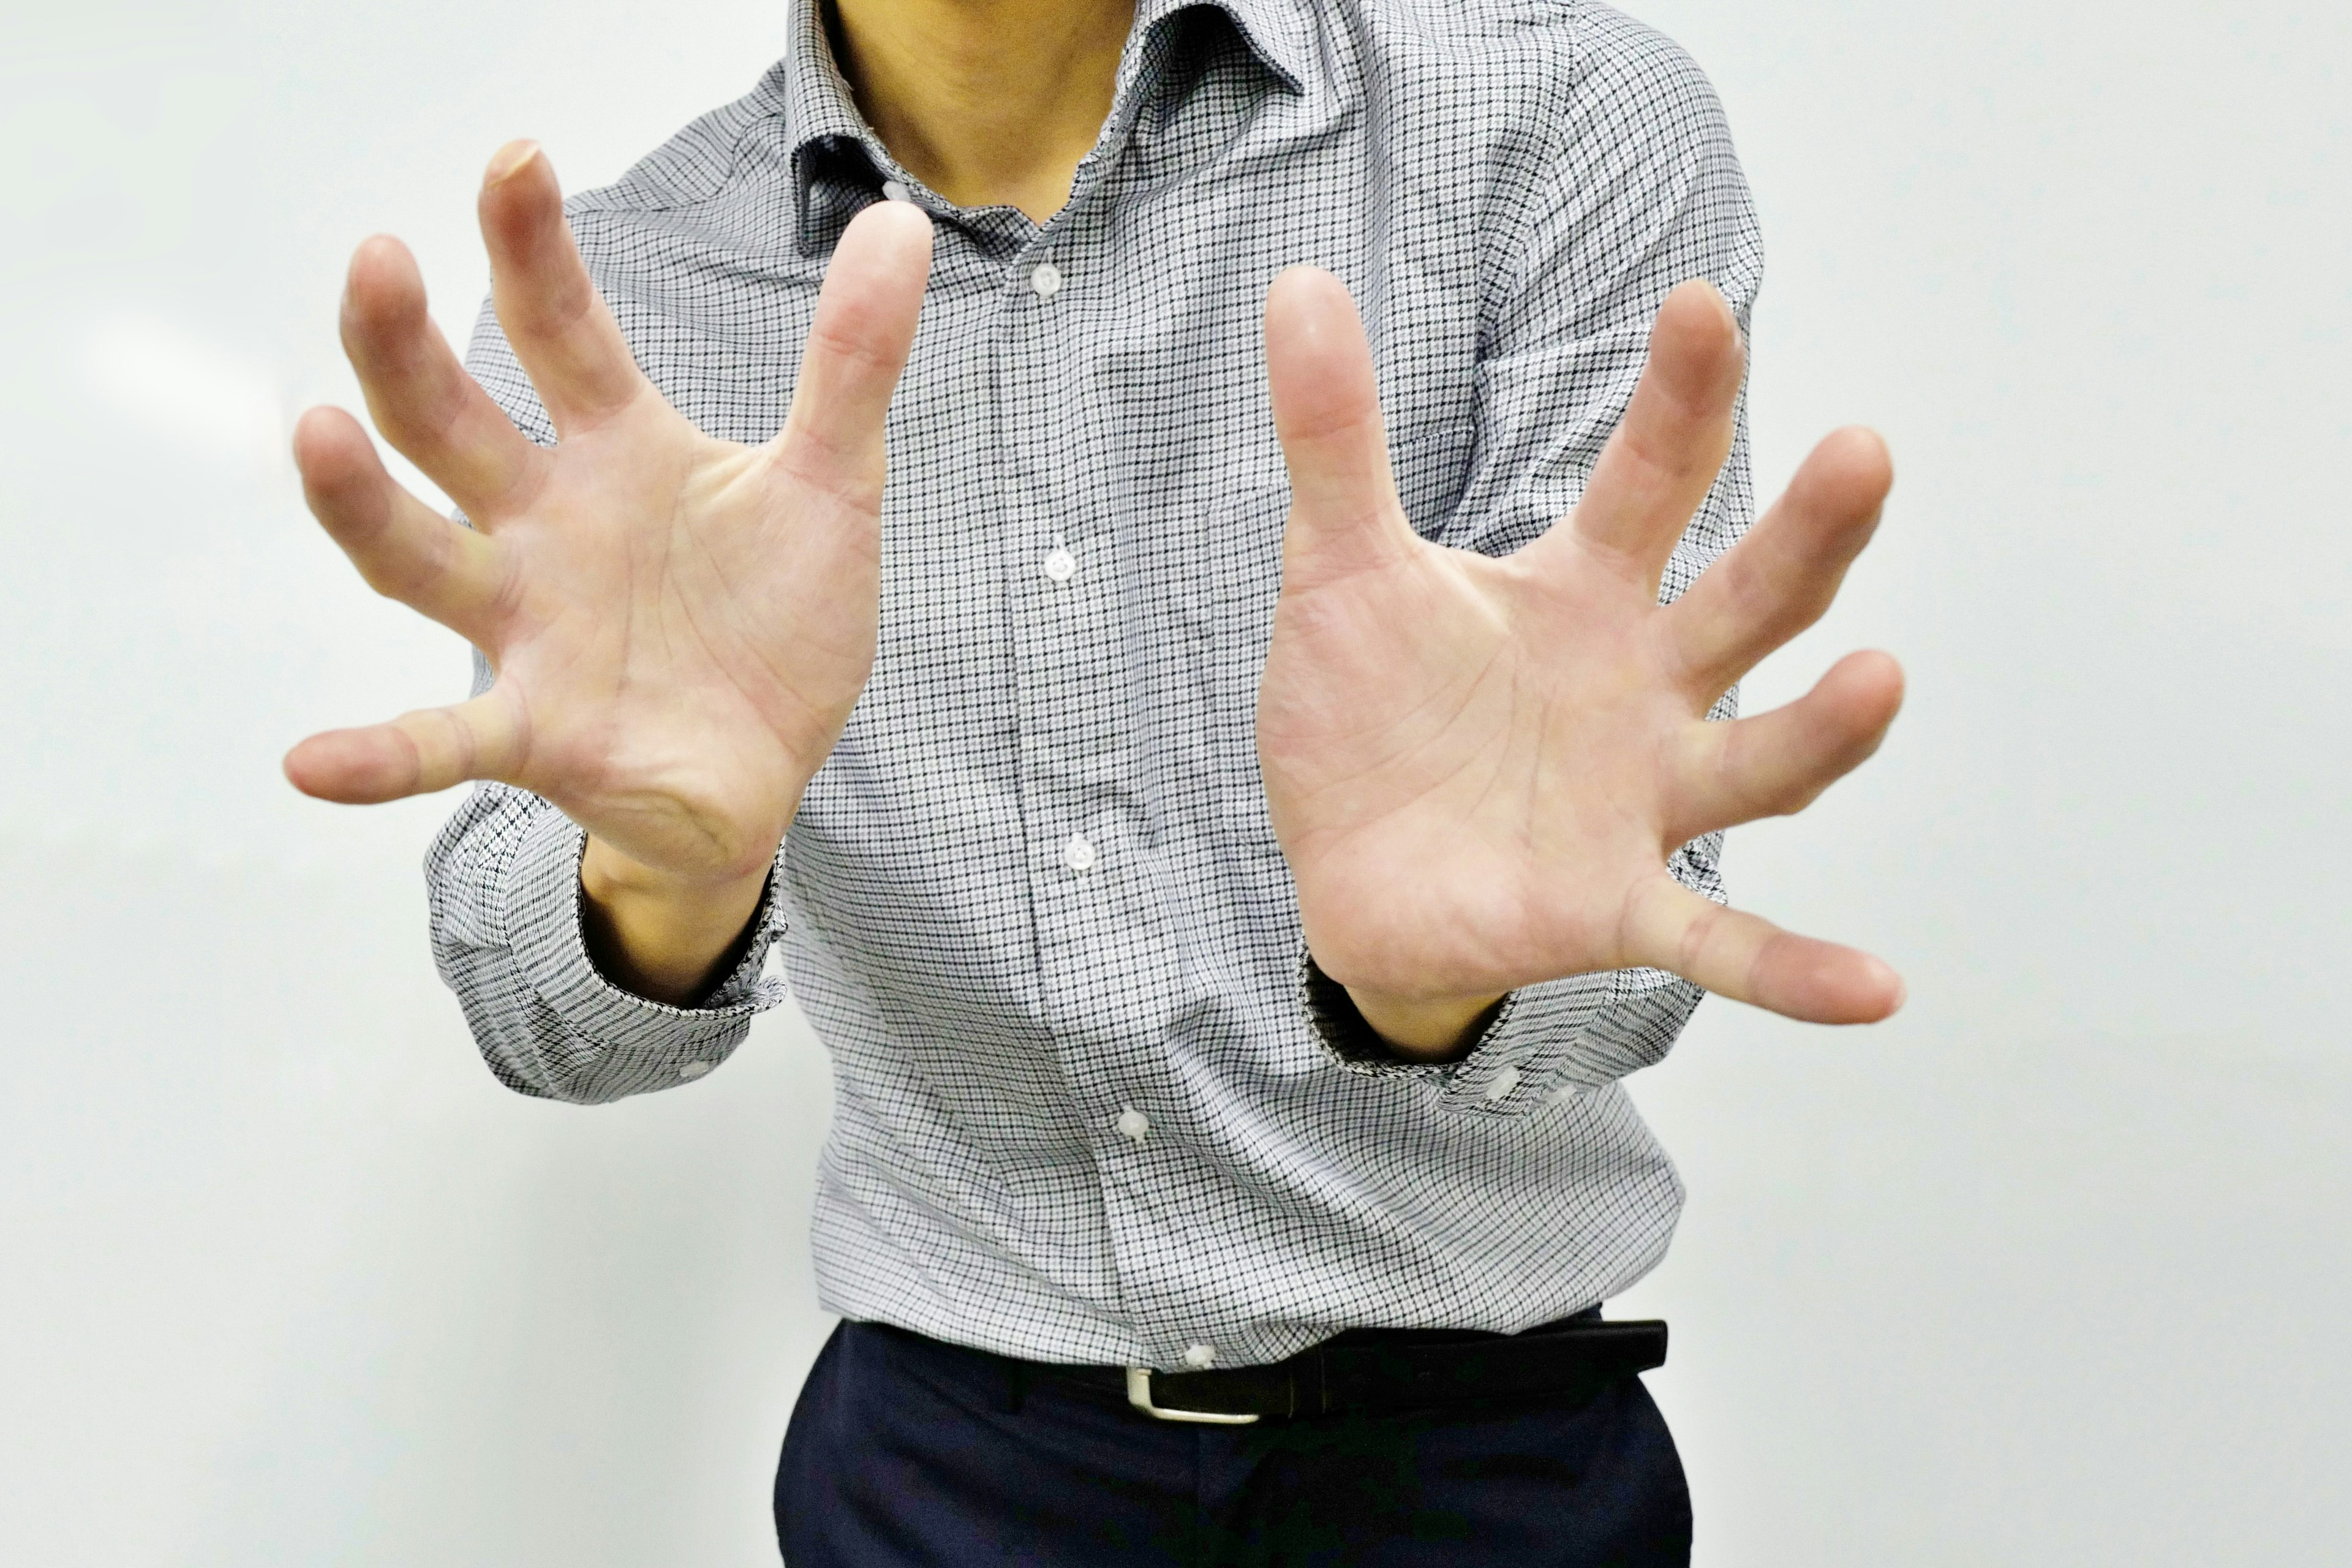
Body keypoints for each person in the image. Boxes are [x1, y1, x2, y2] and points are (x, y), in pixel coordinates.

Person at [285, 0, 1904, 1560]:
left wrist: (1440, 982)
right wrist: (666, 879)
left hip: (1485, 1467)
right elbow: (537, 1015)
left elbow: (1630, 934)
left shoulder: (1554, 119)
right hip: (940, 1479)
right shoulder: (621, 292)